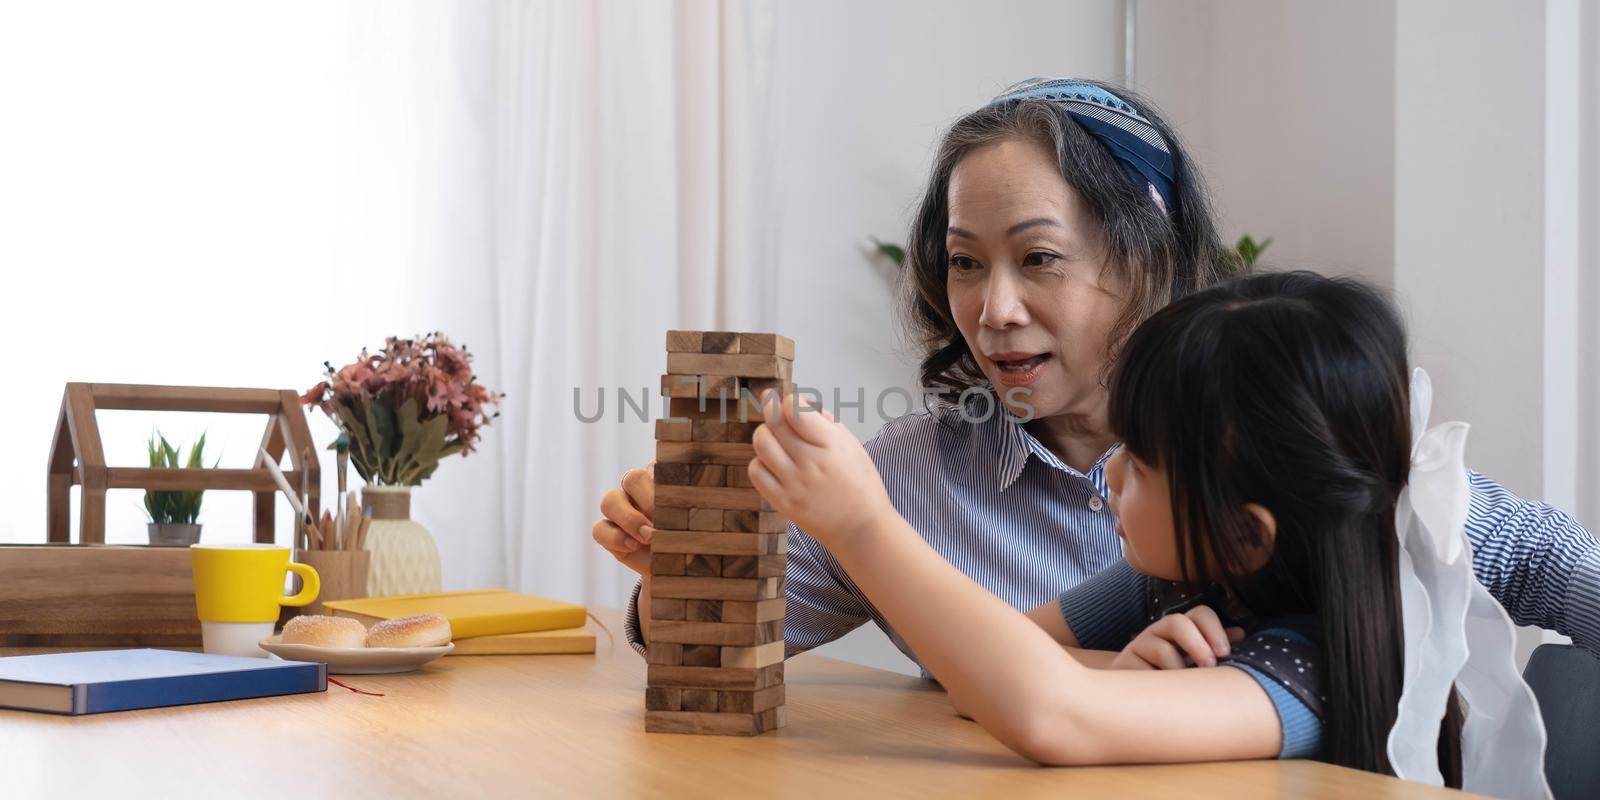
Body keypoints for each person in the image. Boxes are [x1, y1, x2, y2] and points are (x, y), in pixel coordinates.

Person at [593, 78, 1600, 668]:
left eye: (1038, 258)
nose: (991, 309)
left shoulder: (1277, 440)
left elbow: (1534, 551)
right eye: (961, 260)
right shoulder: (896, 476)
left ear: (1147, 259)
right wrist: (680, 563)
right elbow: (698, 642)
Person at [745, 272, 1545, 791]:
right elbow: (981, 681)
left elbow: (1051, 716)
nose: (1113, 474)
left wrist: (863, 524)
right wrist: (1121, 674)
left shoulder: (1306, 670)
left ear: (1246, 535)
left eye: (1145, 461)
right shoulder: (1174, 582)